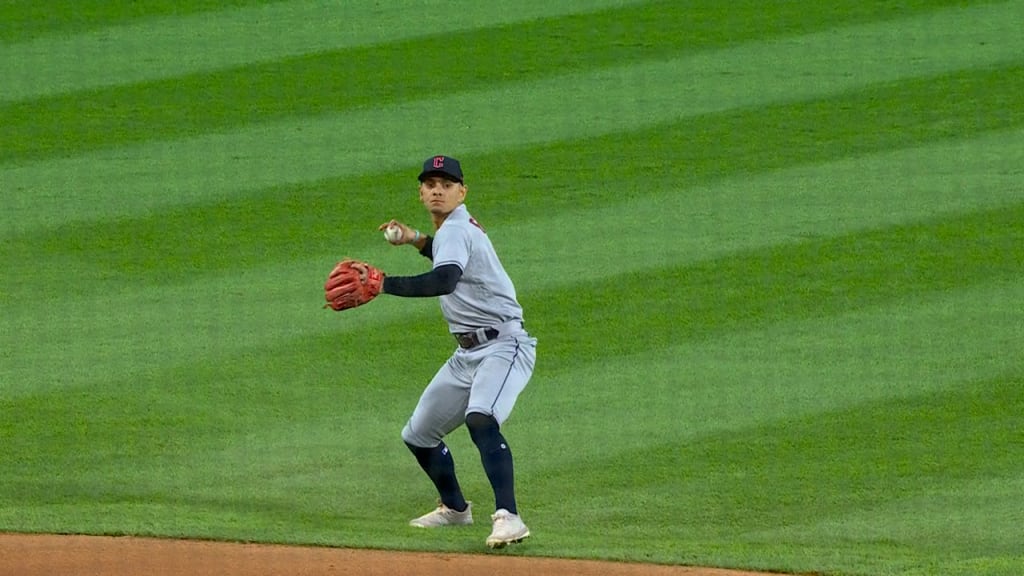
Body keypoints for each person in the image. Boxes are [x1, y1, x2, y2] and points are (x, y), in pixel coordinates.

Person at [376, 155, 537, 549]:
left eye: (446, 184)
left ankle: (509, 517)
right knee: (418, 435)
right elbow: (450, 259)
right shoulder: (453, 229)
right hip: (467, 354)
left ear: (461, 192)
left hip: (504, 345)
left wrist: (384, 284)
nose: (437, 189)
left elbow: (446, 279)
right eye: (430, 184)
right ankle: (454, 509)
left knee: (481, 418)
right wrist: (415, 239)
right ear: (420, 193)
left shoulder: (456, 228)